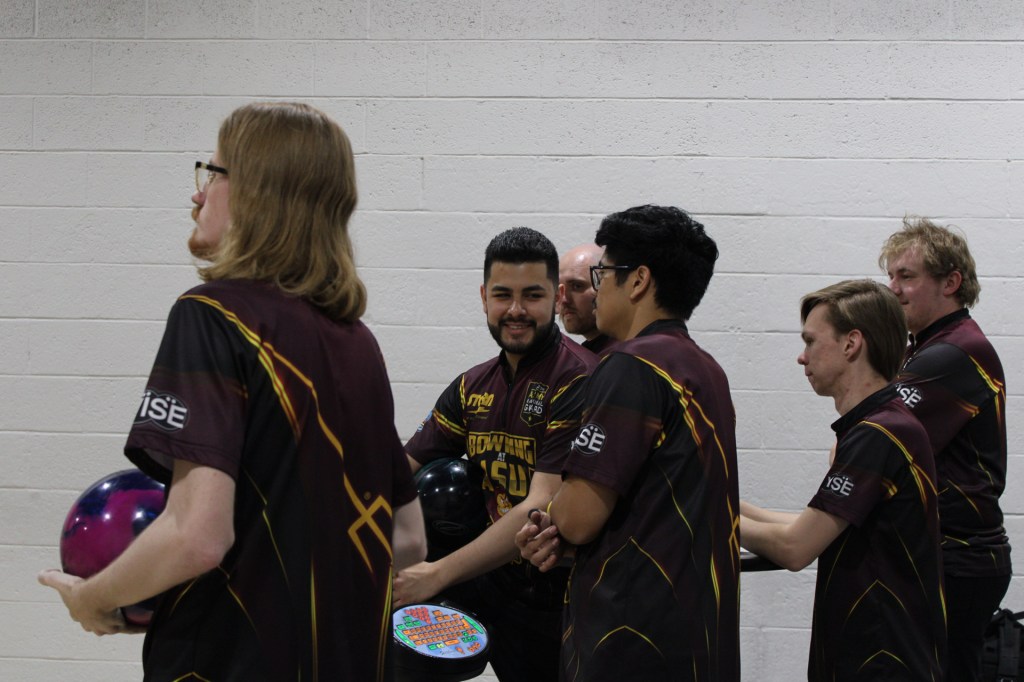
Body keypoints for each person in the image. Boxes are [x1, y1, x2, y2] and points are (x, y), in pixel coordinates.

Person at [38, 102, 426, 681]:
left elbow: (197, 536)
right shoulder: (357, 342)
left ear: (256, 192)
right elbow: (409, 539)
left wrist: (95, 598)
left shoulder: (213, 316)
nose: (198, 195)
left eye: (212, 173)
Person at [517, 205, 740, 681]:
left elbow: (577, 518)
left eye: (603, 274)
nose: (597, 289)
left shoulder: (632, 365)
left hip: (630, 639)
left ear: (638, 280)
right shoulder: (706, 370)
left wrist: (548, 525)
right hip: (697, 634)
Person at [394, 226, 599, 682]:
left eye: (533, 295)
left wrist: (436, 574)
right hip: (494, 583)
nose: (516, 310)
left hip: (562, 596)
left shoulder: (580, 380)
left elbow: (539, 503)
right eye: (503, 295)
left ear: (556, 296)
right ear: (484, 296)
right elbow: (397, 474)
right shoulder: (472, 385)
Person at [739, 279, 945, 681]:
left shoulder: (879, 434)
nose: (802, 357)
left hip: (881, 660)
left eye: (811, 342)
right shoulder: (882, 425)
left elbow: (796, 547)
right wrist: (721, 502)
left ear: (851, 344)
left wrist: (706, 519)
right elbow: (810, 524)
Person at [881, 217, 1011, 681]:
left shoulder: (952, 353)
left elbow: (871, 449)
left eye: (907, 276)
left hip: (957, 559)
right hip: (952, 557)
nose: (892, 288)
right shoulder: (928, 348)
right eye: (890, 276)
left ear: (951, 282)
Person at [557, 242, 615, 354]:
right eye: (559, 289)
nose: (563, 300)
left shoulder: (627, 356)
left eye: (576, 286)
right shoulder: (584, 357)